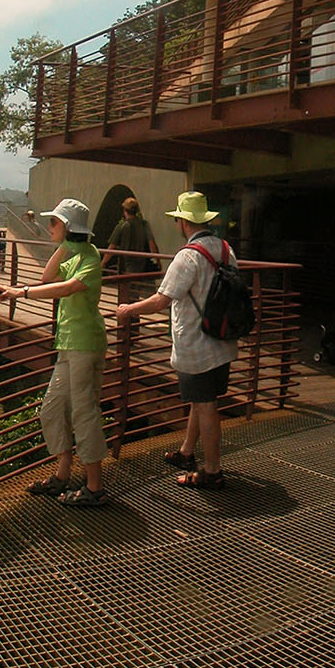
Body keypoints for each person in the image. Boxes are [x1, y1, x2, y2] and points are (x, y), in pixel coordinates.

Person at [0, 200, 121, 508]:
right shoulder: (73, 252)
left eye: (55, 223)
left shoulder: (90, 256)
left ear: (69, 228)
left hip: (86, 343)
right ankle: (62, 473)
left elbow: (67, 288)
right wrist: (64, 241)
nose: (49, 228)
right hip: (68, 343)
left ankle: (95, 486)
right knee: (52, 409)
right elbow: (48, 276)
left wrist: (22, 292)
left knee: (84, 412)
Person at [107, 192, 249, 485]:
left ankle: (212, 471)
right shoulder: (225, 249)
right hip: (222, 339)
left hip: (197, 345)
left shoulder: (188, 256)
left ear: (182, 222)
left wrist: (128, 309)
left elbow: (162, 300)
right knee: (202, 400)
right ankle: (187, 451)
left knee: (206, 405)